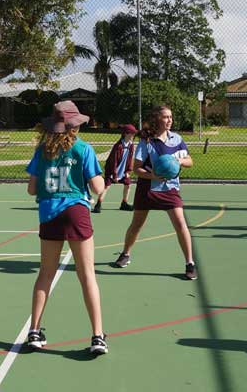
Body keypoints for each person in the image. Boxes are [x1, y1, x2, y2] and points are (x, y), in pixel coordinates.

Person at [24, 101, 107, 355]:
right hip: (76, 211)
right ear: (75, 125)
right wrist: (104, 183)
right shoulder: (83, 149)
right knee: (87, 275)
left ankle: (34, 331)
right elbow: (97, 187)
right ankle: (97, 336)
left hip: (49, 213)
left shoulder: (42, 151)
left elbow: (31, 189)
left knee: (45, 274)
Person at [112, 105, 196, 280]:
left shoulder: (177, 139)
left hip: (170, 189)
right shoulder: (147, 141)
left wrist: (179, 161)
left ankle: (189, 263)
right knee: (136, 225)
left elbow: (190, 160)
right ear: (158, 119)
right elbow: (137, 169)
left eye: (171, 117)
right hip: (147, 188)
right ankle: (126, 254)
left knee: (181, 224)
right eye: (165, 117)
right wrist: (154, 175)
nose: (169, 120)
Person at [93, 124, 137, 213]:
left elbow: (130, 159)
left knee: (128, 185)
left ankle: (124, 203)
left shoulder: (131, 145)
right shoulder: (118, 146)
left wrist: (128, 171)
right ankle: (98, 204)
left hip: (123, 171)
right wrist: (115, 175)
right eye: (132, 133)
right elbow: (114, 162)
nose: (133, 135)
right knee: (106, 186)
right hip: (112, 171)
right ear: (126, 134)